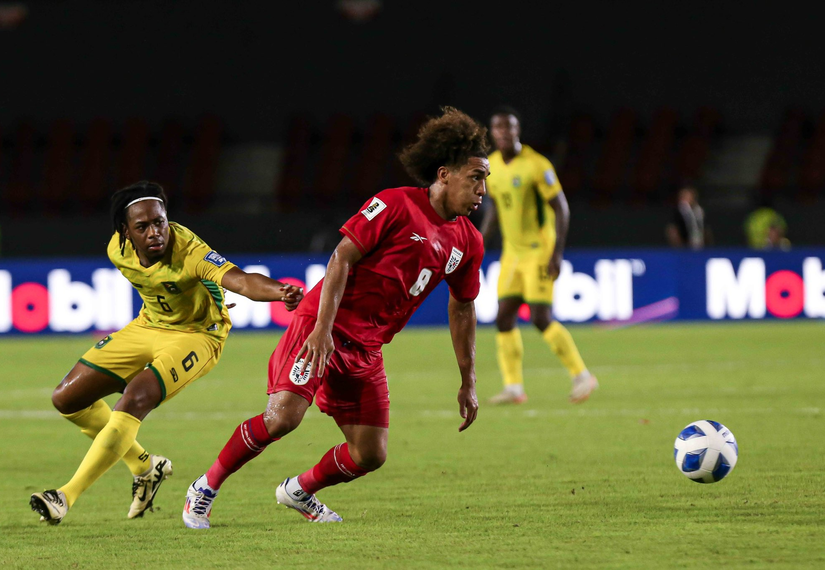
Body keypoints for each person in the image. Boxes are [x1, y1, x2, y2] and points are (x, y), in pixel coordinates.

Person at [181, 106, 486, 528]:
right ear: (443, 174)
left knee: (371, 453)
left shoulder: (469, 242)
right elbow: (341, 256)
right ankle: (205, 486)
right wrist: (322, 330)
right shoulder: (395, 204)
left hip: (367, 347)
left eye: (485, 179)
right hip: (321, 327)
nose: (482, 189)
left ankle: (300, 490)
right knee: (282, 418)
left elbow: (463, 307)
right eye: (476, 177)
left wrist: (468, 379)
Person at [29, 180, 303, 525]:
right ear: (125, 232)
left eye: (160, 222)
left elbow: (243, 281)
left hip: (198, 334)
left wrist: (281, 292)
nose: (155, 232)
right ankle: (145, 466)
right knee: (66, 399)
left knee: (134, 397)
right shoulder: (117, 251)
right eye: (142, 227)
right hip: (149, 325)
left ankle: (64, 496)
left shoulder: (189, 250)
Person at [481, 106, 597, 405]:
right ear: (492, 133)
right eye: (498, 128)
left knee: (540, 317)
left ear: (517, 131)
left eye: (509, 128)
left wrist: (556, 253)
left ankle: (582, 375)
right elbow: (494, 210)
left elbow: (562, 207)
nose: (504, 133)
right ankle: (514, 387)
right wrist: (478, 243)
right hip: (511, 254)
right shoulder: (490, 166)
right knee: (503, 317)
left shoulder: (536, 165)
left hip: (538, 252)